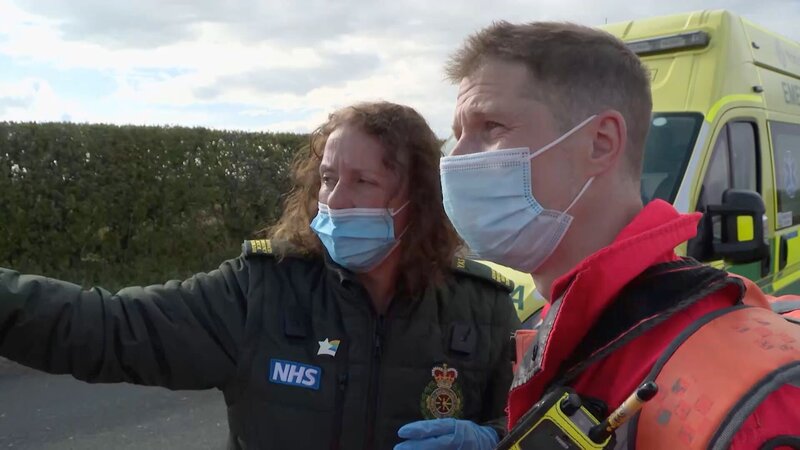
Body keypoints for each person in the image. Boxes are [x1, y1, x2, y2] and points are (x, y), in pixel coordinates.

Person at [0, 100, 521, 450]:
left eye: (363, 181)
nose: (334, 201)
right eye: (327, 178)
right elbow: (110, 328)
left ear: (419, 201)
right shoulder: (260, 291)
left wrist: (495, 440)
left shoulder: (480, 307)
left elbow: (531, 423)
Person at [439, 21, 800, 449]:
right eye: (458, 133)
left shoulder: (745, 400)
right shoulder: (568, 324)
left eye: (491, 126)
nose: (455, 157)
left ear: (601, 142)